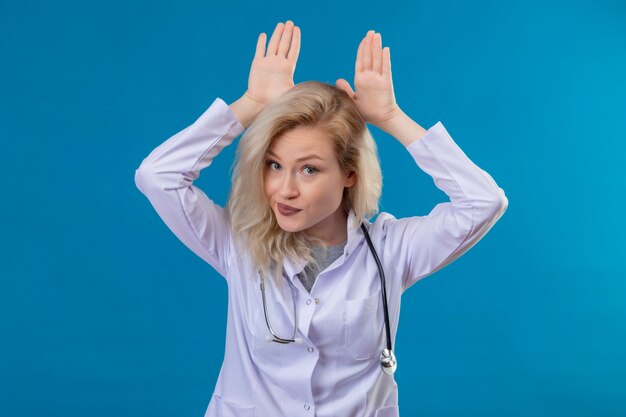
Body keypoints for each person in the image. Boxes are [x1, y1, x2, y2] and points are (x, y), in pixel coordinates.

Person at [134, 20, 508, 417]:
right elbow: (158, 176)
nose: (284, 189)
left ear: (350, 174)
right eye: (274, 165)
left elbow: (484, 202)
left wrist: (390, 117)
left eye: (309, 169)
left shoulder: (391, 250)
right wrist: (252, 101)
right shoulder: (237, 241)